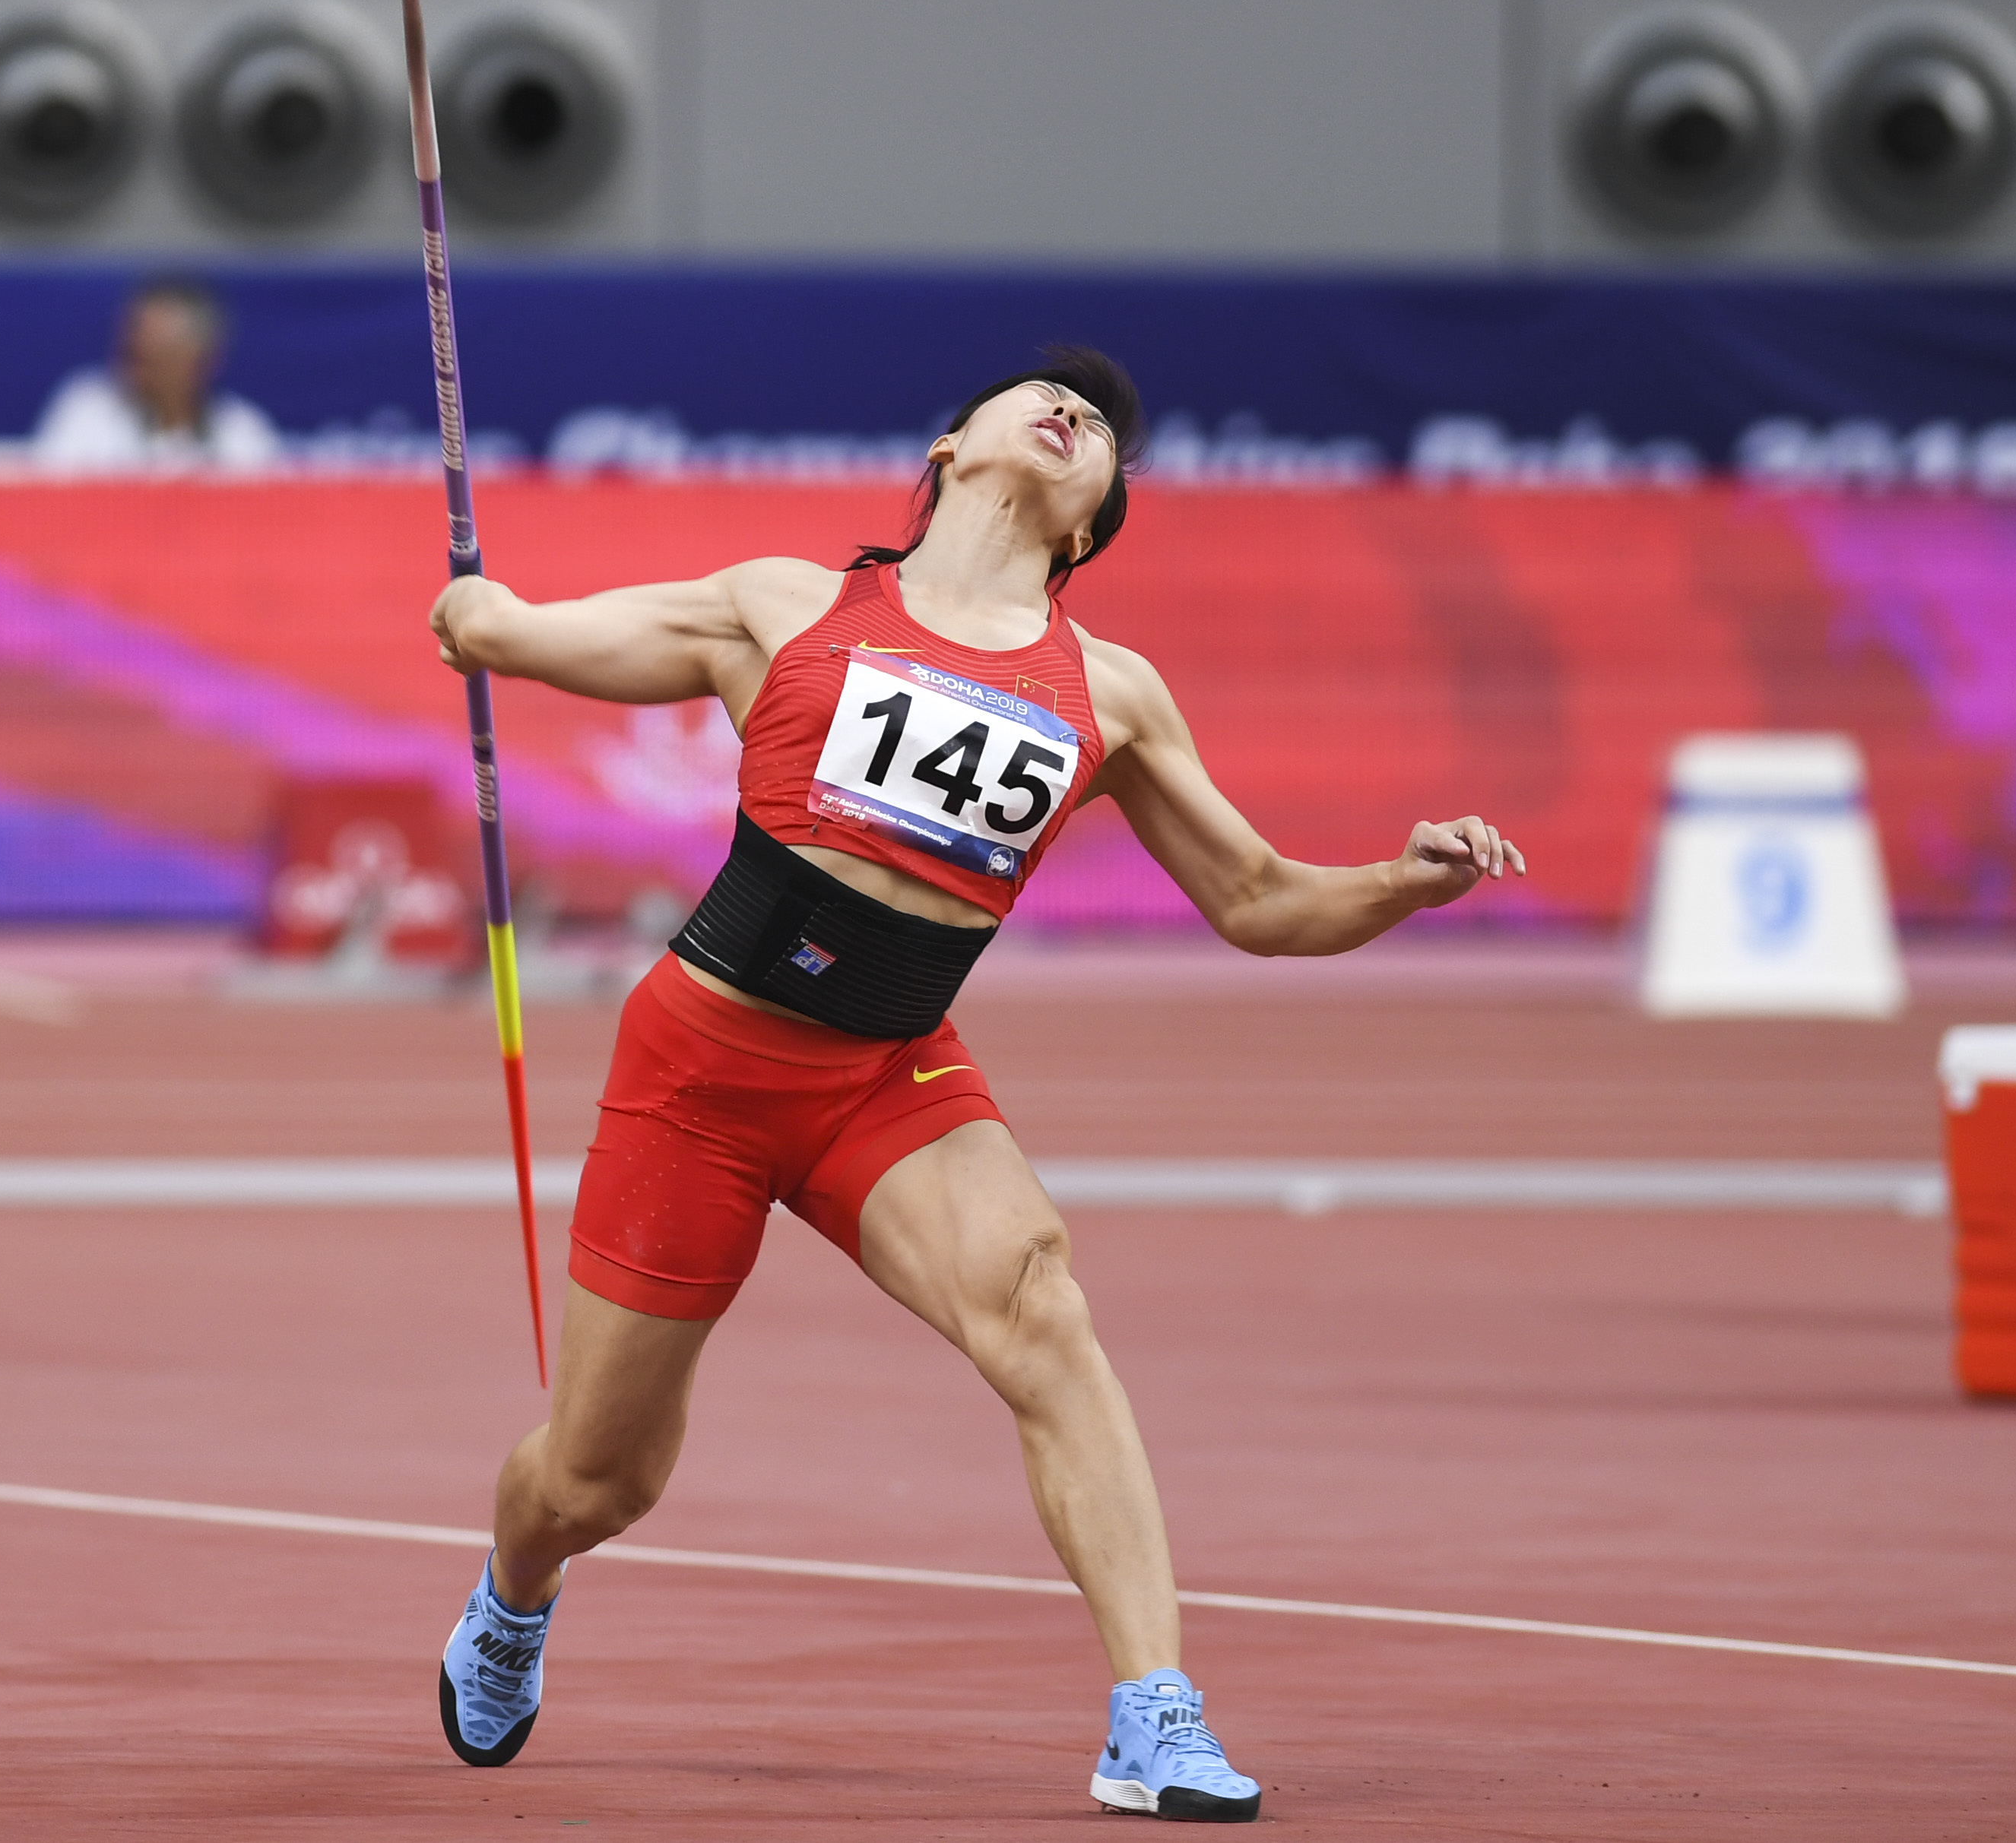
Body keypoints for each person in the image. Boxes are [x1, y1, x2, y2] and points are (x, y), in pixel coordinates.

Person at [422, 346, 1524, 1823]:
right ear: (950, 443)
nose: (1072, 418)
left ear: (1089, 521)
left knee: (1044, 1309)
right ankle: (515, 1587)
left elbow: (1259, 899)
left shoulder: (1109, 693)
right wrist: (476, 616)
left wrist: (1402, 878)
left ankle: (1152, 1711)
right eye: (1041, 398)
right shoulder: (785, 603)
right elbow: (537, 634)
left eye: (1101, 439)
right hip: (700, 1065)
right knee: (599, 1479)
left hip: (886, 1071)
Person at [29, 277, 281, 474]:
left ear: (202, 359)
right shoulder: (85, 412)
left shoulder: (243, 432)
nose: (134, 369)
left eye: (154, 357)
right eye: (131, 351)